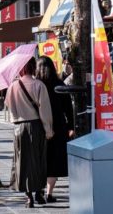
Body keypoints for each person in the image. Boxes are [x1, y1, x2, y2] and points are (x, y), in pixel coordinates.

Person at [6, 57, 54, 208]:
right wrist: (48, 129)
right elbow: (45, 110)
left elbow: (9, 106)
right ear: (33, 67)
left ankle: (28, 197)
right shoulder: (39, 85)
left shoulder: (13, 86)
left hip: (19, 128)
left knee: (23, 161)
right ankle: (39, 192)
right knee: (39, 159)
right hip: (36, 126)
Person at [36, 56, 74, 203]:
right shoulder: (59, 84)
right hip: (58, 127)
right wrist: (71, 126)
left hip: (39, 126)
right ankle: (49, 193)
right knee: (54, 161)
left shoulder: (36, 85)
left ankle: (38, 191)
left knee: (40, 159)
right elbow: (68, 108)